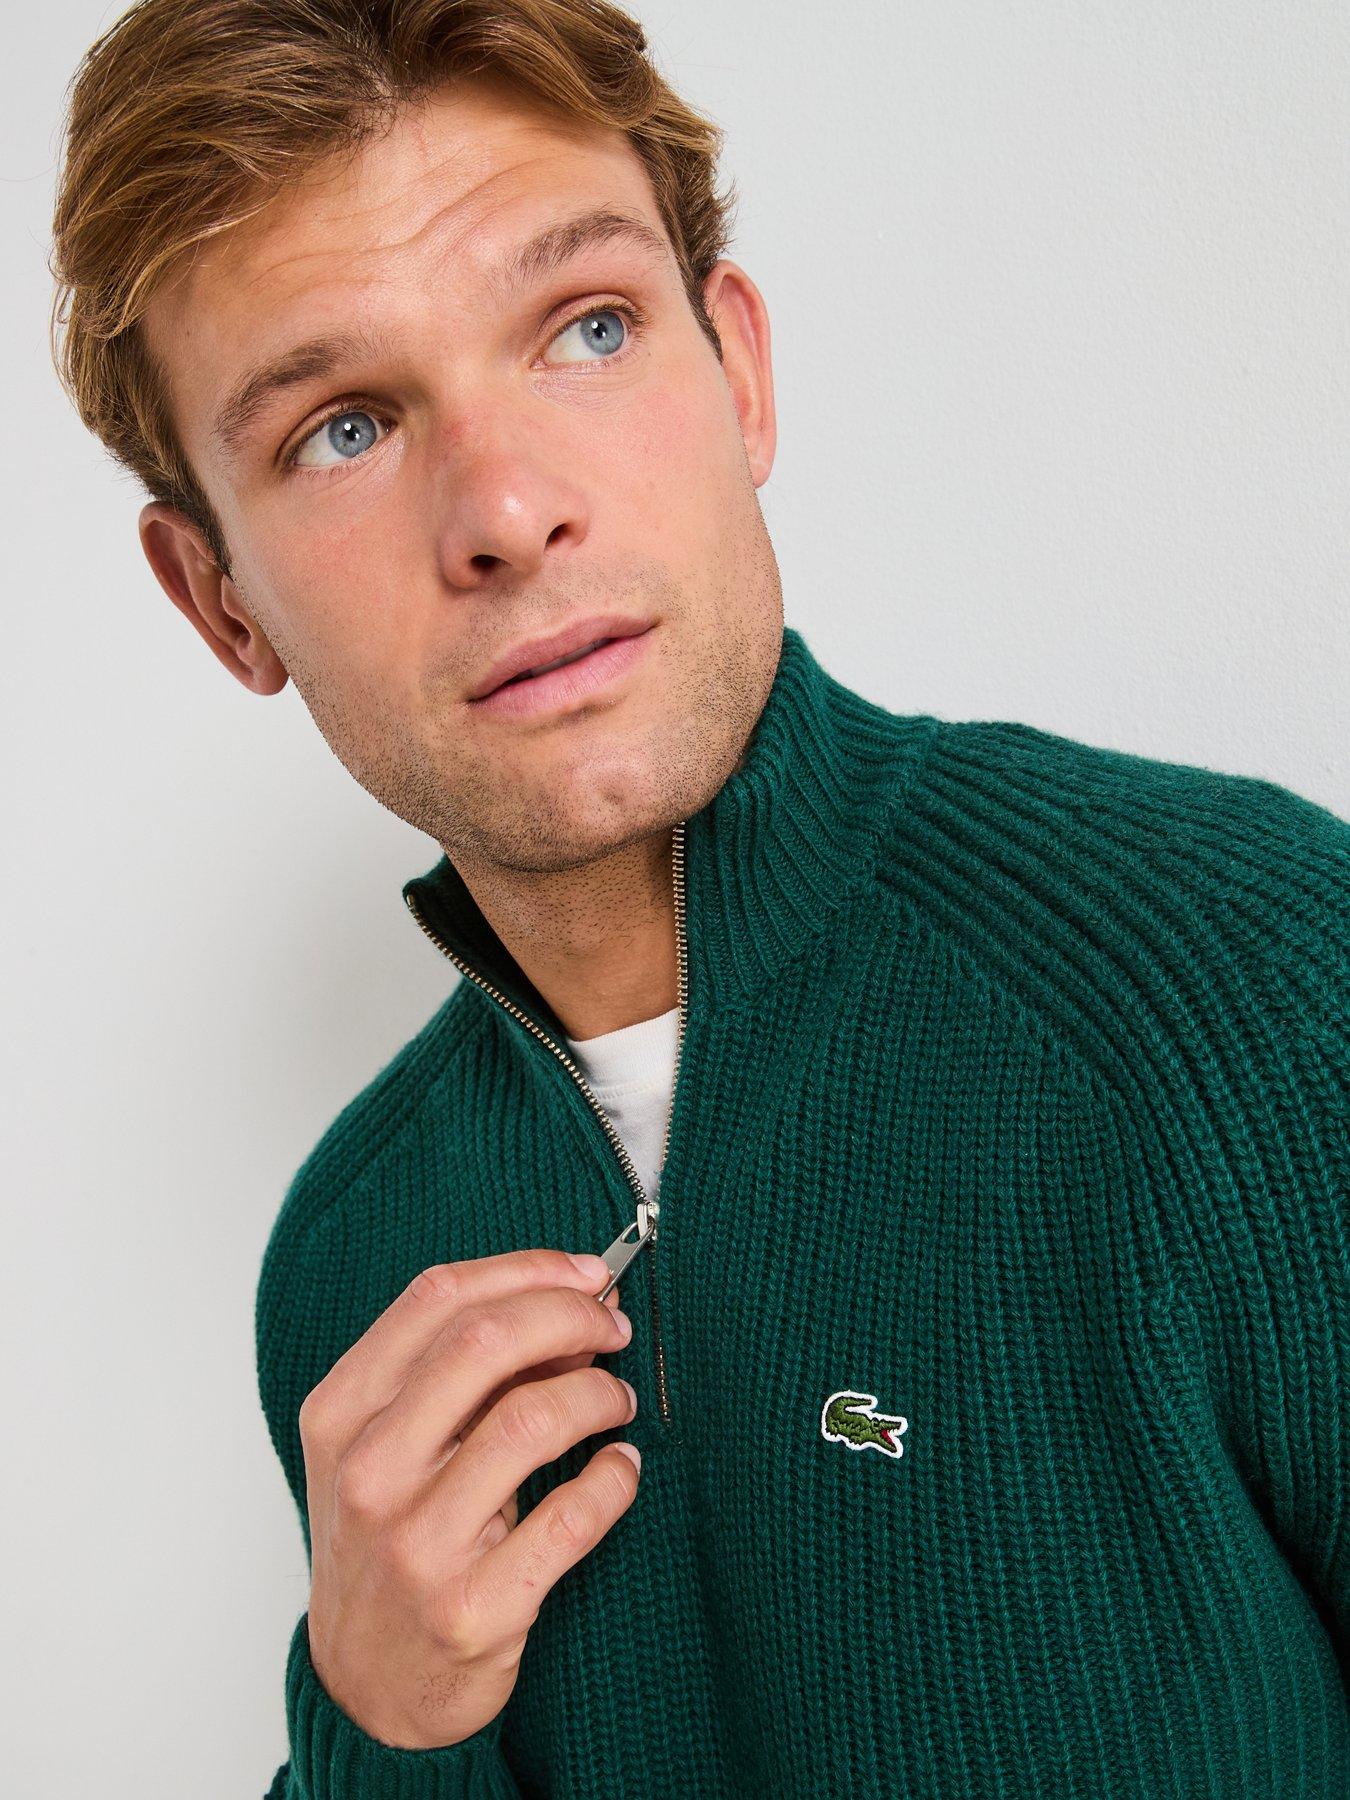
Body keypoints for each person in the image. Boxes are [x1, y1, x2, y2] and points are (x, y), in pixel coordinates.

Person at [50, 2, 1348, 1795]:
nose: (506, 510)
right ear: (220, 602)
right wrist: (376, 1721)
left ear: (736, 371)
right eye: (343, 429)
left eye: (584, 328)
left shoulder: (1251, 985)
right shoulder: (348, 1266)